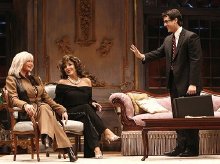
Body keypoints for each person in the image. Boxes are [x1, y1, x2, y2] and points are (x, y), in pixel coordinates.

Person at [130, 9, 202, 157]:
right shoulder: (168, 40)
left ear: (176, 20)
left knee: (189, 117)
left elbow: (196, 61)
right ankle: (180, 147)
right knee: (178, 117)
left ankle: (192, 148)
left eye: (167, 21)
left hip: (189, 85)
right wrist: (142, 56)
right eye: (164, 21)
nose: (165, 24)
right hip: (174, 84)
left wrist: (193, 83)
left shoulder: (190, 37)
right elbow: (158, 52)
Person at [5, 51, 77, 162]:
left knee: (44, 107)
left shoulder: (35, 79)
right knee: (48, 112)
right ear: (20, 62)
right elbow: (13, 99)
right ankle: (68, 148)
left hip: (42, 109)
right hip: (27, 112)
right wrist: (25, 105)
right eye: (28, 61)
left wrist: (61, 109)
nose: (31, 63)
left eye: (32, 61)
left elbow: (47, 98)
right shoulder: (12, 79)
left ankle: (46, 136)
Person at [54, 55, 120, 159]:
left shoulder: (86, 81)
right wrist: (62, 111)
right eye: (65, 66)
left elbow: (88, 100)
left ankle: (96, 149)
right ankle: (106, 131)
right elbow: (57, 102)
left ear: (76, 66)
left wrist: (93, 103)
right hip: (68, 113)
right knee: (86, 108)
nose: (67, 67)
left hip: (84, 112)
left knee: (86, 116)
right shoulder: (62, 83)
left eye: (70, 64)